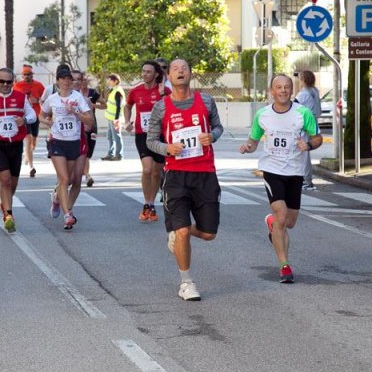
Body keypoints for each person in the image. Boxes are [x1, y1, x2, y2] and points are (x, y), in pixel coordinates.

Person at [147, 59, 223, 301]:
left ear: (191, 73)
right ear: (168, 76)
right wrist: (167, 147)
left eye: (185, 69)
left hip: (205, 173)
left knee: (209, 233)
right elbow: (150, 141)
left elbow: (219, 128)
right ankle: (186, 282)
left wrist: (212, 136)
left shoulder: (207, 101)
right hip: (176, 175)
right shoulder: (161, 107)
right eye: (175, 69)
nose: (180, 72)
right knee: (181, 230)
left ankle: (179, 234)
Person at [239, 74, 323, 283]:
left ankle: (272, 224)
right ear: (272, 91)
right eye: (279, 87)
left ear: (291, 90)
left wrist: (309, 145)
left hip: (295, 171)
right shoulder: (263, 115)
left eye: (287, 87)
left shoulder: (303, 113)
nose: (283, 90)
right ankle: (284, 266)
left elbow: (317, 137)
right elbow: (254, 141)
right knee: (282, 215)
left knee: (290, 222)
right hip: (272, 170)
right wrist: (247, 148)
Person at [0, 68, 36, 233]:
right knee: (5, 180)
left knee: (13, 182)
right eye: (2, 81)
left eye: (8, 82)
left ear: (13, 82)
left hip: (16, 143)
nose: (5, 85)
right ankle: (8, 215)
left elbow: (33, 115)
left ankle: (5, 202)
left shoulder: (20, 97)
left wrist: (23, 120)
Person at [40, 67, 92, 230]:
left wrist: (75, 112)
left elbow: (89, 120)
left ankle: (58, 200)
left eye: (69, 78)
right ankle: (68, 214)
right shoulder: (52, 98)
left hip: (74, 141)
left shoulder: (78, 97)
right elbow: (41, 114)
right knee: (63, 179)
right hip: (57, 141)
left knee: (71, 179)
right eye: (63, 78)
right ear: (58, 81)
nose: (67, 81)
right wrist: (46, 122)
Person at [124, 61, 169, 221]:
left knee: (157, 171)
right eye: (143, 71)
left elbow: (172, 107)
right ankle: (146, 203)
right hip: (142, 135)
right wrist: (127, 121)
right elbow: (127, 106)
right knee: (147, 169)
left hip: (160, 136)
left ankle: (152, 203)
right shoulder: (136, 91)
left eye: (148, 72)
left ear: (156, 74)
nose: (144, 74)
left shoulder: (165, 91)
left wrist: (163, 94)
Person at [14, 64, 45, 178]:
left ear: (32, 75)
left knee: (34, 143)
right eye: (25, 75)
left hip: (36, 115)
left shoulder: (39, 85)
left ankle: (28, 155)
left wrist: (37, 100)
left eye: (29, 74)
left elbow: (45, 99)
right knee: (28, 139)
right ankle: (31, 167)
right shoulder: (17, 86)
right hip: (24, 117)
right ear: (22, 75)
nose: (27, 76)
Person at [294, 70, 322, 190]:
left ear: (303, 80)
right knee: (304, 152)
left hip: (304, 124)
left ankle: (306, 180)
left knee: (303, 152)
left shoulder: (303, 94)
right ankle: (304, 179)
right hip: (313, 121)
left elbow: (292, 106)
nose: (298, 80)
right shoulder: (314, 91)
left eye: (300, 78)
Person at [79, 72, 105, 187]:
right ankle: (87, 175)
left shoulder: (93, 93)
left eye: (85, 80)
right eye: (81, 80)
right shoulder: (74, 94)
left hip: (92, 126)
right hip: (80, 126)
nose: (83, 82)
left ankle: (84, 174)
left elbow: (105, 105)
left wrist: (94, 106)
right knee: (82, 152)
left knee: (88, 152)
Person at [102, 73, 125, 161]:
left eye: (110, 80)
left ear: (115, 81)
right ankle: (111, 154)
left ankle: (119, 155)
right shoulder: (113, 90)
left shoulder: (118, 91)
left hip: (115, 119)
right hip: (110, 118)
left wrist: (116, 119)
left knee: (117, 137)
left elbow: (119, 106)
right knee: (110, 137)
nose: (108, 82)